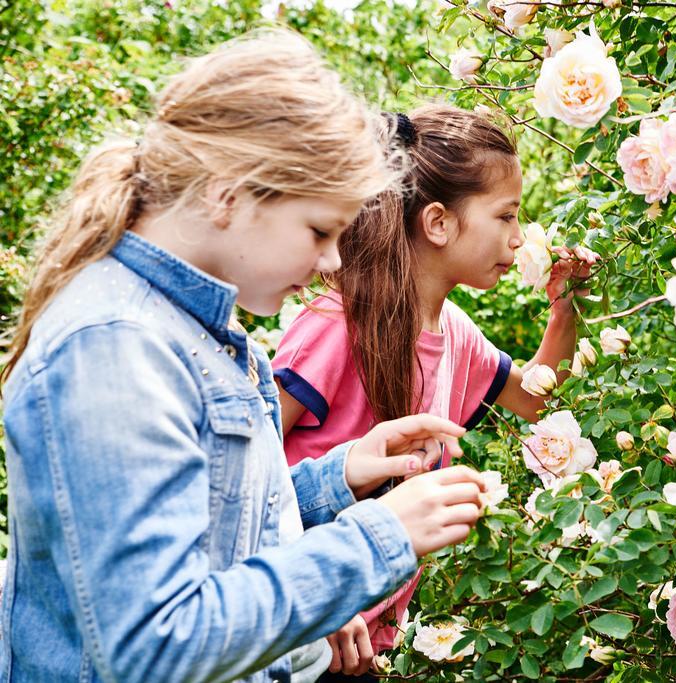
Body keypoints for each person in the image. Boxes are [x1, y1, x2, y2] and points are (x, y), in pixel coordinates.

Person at [0, 31, 486, 683]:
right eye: (319, 230)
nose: (332, 263)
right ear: (227, 193)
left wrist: (335, 477)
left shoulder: (192, 326)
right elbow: (157, 643)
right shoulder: (115, 348)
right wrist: (376, 538)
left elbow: (203, 520)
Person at [271, 104, 597, 679]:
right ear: (440, 223)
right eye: (505, 216)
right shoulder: (334, 326)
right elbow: (245, 471)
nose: (519, 238)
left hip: (369, 652)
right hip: (295, 633)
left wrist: (564, 305)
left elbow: (537, 398)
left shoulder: (455, 334)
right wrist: (311, 593)